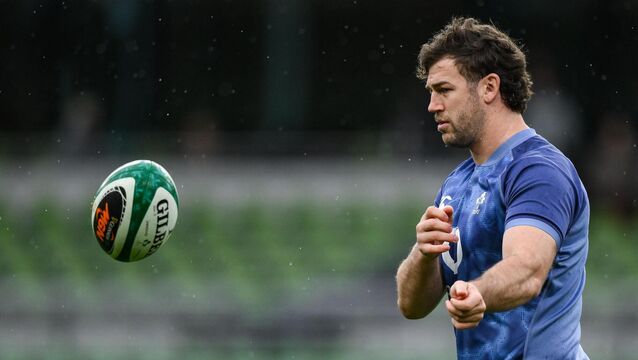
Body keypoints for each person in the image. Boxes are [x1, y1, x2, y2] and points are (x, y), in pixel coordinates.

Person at [395, 17, 589, 359]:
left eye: (444, 90)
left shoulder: (538, 169)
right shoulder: (457, 183)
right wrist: (423, 254)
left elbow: (528, 271)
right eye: (431, 93)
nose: (432, 106)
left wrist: (478, 292)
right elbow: (410, 306)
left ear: (489, 87)